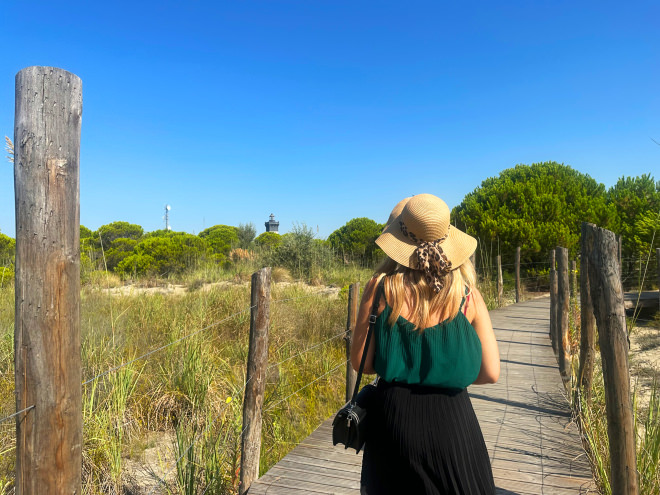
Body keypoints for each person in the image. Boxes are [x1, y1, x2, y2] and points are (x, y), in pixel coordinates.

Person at [351, 193, 500, 495]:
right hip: (455, 423)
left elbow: (361, 364)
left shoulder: (379, 289)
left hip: (393, 422)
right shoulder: (468, 294)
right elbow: (490, 372)